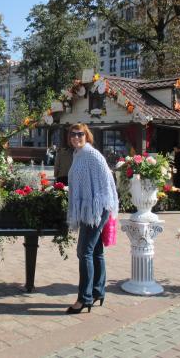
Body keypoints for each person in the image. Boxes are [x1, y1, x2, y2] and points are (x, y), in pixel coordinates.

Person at [66, 123, 119, 314]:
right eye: (72, 134)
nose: (76, 137)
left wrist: (96, 205)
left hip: (96, 208)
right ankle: (98, 291)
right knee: (95, 251)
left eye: (79, 134)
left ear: (86, 135)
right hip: (91, 207)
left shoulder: (92, 154)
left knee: (84, 252)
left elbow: (107, 182)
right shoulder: (77, 155)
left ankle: (84, 298)